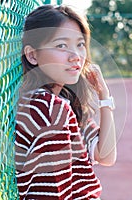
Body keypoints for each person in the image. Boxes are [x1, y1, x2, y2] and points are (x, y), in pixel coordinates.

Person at [15, 4, 117, 200]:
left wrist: (104, 95)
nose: (76, 57)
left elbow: (105, 156)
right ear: (32, 55)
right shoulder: (48, 108)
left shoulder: (63, 101)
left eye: (80, 44)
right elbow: (52, 194)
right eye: (61, 45)